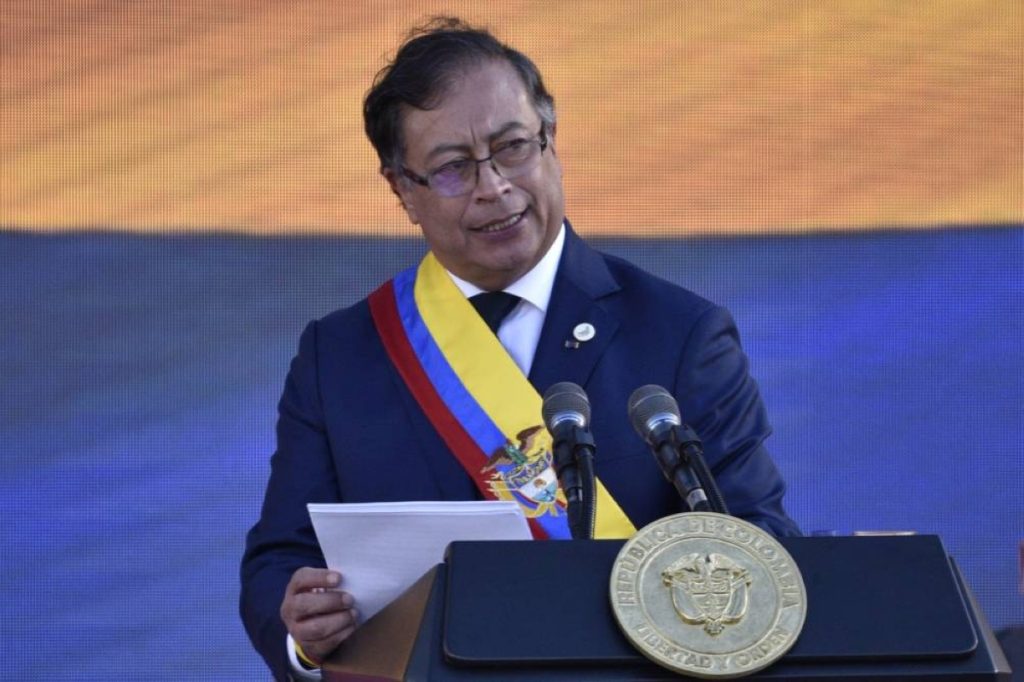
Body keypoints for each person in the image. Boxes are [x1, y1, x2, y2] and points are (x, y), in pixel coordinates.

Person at [240, 16, 800, 681]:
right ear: (402, 190)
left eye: (512, 148)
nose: (494, 186)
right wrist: (302, 634)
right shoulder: (339, 356)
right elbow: (280, 560)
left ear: (550, 139)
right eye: (453, 168)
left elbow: (759, 543)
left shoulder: (680, 334)